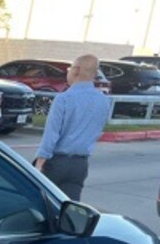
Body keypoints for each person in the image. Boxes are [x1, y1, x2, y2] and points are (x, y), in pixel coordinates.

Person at [33, 54, 112, 201]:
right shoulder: (104, 101)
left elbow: (51, 135)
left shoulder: (63, 99)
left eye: (69, 69)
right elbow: (99, 129)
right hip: (80, 165)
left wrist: (38, 165)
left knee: (42, 205)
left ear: (76, 70)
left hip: (56, 163)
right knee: (69, 210)